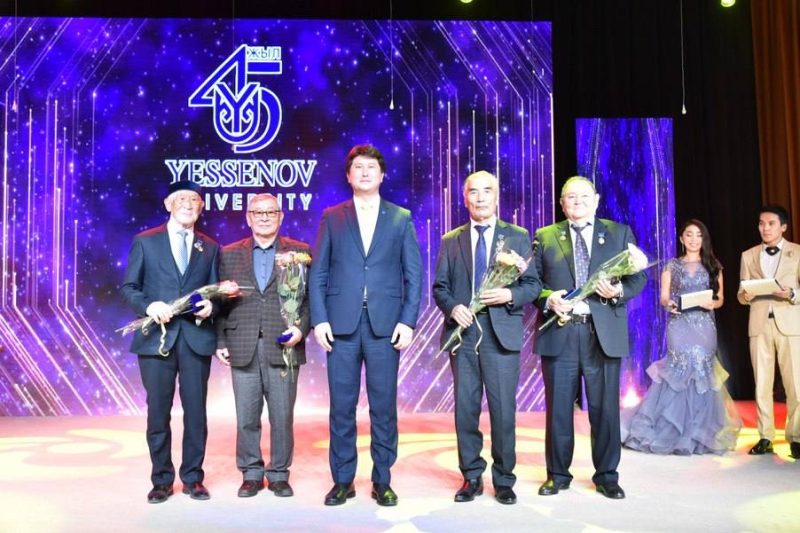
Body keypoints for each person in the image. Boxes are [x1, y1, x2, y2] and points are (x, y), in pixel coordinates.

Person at [308, 144, 422, 507]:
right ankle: (343, 480)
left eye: (371, 167)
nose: (365, 172)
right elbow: (318, 273)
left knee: (383, 407)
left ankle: (382, 479)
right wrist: (319, 319)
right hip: (340, 326)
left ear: (382, 174)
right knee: (341, 407)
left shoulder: (400, 217)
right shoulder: (333, 216)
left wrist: (408, 321)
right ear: (348, 175)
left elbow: (414, 275)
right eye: (358, 167)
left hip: (385, 327)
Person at [533, 176, 646, 500]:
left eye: (584, 196)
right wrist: (548, 299)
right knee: (558, 409)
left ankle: (607, 476)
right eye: (571, 197)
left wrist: (617, 291)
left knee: (605, 409)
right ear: (562, 203)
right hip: (561, 331)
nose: (578, 201)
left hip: (603, 334)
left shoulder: (618, 233)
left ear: (596, 200)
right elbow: (532, 283)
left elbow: (637, 279)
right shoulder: (545, 236)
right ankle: (557, 475)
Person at [432, 171, 541, 505]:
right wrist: (453, 308)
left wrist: (509, 295)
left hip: (500, 335)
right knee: (465, 410)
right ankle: (471, 476)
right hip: (463, 336)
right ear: (465, 197)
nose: (480, 198)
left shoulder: (518, 236)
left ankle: (504, 479)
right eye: (474, 192)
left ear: (497, 196)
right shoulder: (451, 239)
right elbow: (440, 288)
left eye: (487, 191)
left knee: (503, 411)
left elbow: (532, 285)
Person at [120, 180, 219, 503]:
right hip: (156, 341)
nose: (188, 204)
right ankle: (161, 480)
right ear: (168, 204)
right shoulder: (145, 241)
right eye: (181, 199)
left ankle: (193, 478)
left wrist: (211, 307)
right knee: (158, 412)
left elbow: (215, 292)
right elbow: (130, 287)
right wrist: (149, 306)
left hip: (195, 339)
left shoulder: (209, 246)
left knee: (196, 413)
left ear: (201, 207)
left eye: (194, 200)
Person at [215, 193, 311, 498]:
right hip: (242, 343)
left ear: (281, 216)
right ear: (249, 217)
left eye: (271, 212)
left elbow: (310, 299)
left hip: (284, 344)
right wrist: (220, 340)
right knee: (246, 416)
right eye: (258, 212)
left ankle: (279, 473)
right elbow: (219, 301)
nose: (265, 217)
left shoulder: (300, 252)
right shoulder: (229, 254)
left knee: (282, 416)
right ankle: (251, 473)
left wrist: (301, 329)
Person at [621, 219, 741, 454]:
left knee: (703, 372)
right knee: (677, 370)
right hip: (679, 325)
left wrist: (712, 303)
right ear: (681, 239)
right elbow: (664, 297)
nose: (694, 239)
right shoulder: (672, 266)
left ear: (704, 239)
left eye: (698, 235)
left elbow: (720, 299)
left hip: (704, 326)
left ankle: (700, 433)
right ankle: (670, 430)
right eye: (689, 235)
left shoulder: (714, 265)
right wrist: (670, 304)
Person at [738, 204, 800, 459]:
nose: (765, 228)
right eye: (762, 223)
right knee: (762, 383)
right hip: (759, 323)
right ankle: (765, 437)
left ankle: (796, 437)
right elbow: (741, 294)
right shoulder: (748, 255)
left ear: (783, 227)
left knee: (795, 384)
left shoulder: (797, 252)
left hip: (790, 324)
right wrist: (746, 295)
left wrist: (792, 293)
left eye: (771, 223)